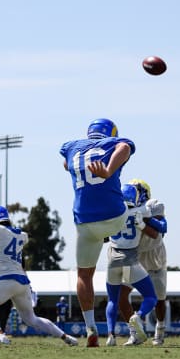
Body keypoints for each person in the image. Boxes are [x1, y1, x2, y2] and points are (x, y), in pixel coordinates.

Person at [59, 118, 135, 347]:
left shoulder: (72, 146)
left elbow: (65, 164)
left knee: (84, 275)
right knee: (131, 212)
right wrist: (109, 170)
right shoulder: (116, 142)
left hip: (85, 221)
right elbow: (125, 147)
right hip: (114, 217)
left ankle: (91, 328)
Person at [0, 205, 77, 347]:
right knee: (32, 319)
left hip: (6, 279)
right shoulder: (21, 234)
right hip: (22, 282)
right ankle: (65, 336)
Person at [105, 184, 158, 347]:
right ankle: (138, 316)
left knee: (112, 300)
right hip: (131, 259)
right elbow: (156, 231)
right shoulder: (141, 211)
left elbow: (103, 236)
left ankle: (110, 335)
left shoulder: (111, 211)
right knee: (151, 297)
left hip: (112, 260)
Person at [118, 179, 169, 346]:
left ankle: (159, 329)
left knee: (159, 298)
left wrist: (144, 221)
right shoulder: (123, 207)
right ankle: (135, 332)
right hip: (134, 255)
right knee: (121, 295)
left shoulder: (153, 205)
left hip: (154, 255)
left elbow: (159, 229)